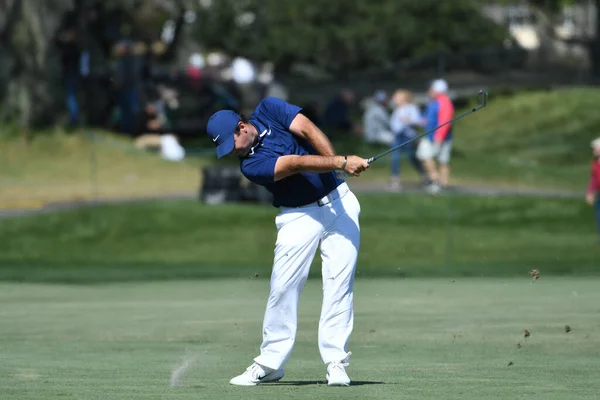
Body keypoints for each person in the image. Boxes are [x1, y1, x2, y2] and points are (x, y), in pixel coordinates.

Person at [205, 97, 370, 387]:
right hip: (298, 216)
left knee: (339, 284)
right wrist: (342, 162)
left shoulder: (269, 108)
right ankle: (270, 363)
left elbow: (308, 129)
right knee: (283, 286)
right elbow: (294, 164)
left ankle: (336, 362)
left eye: (231, 146)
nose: (232, 153)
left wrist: (337, 167)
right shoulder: (251, 166)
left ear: (242, 128)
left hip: (340, 204)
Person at [417, 79, 455, 194]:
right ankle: (439, 182)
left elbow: (445, 121)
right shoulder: (434, 101)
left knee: (434, 158)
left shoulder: (444, 102)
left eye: (431, 88)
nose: (429, 90)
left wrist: (439, 137)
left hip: (437, 137)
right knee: (436, 159)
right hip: (431, 135)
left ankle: (438, 182)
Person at [388, 89, 427, 190]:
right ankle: (395, 181)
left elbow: (418, 121)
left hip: (408, 136)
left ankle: (424, 175)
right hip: (398, 136)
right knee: (395, 157)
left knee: (412, 157)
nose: (394, 98)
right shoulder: (397, 109)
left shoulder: (411, 108)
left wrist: (407, 120)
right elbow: (393, 124)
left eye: (397, 96)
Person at [586, 137, 600, 243]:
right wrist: (590, 193)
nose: (593, 151)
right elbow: (594, 178)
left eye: (595, 148)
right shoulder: (595, 163)